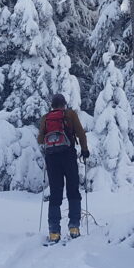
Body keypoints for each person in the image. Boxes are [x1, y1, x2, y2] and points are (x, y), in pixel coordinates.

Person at [37, 93, 89, 243]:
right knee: (73, 190)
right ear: (64, 105)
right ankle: (74, 228)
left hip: (52, 159)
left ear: (52, 105)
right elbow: (81, 133)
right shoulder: (70, 114)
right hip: (68, 157)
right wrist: (84, 150)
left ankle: (54, 231)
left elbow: (40, 139)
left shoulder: (46, 118)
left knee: (55, 193)